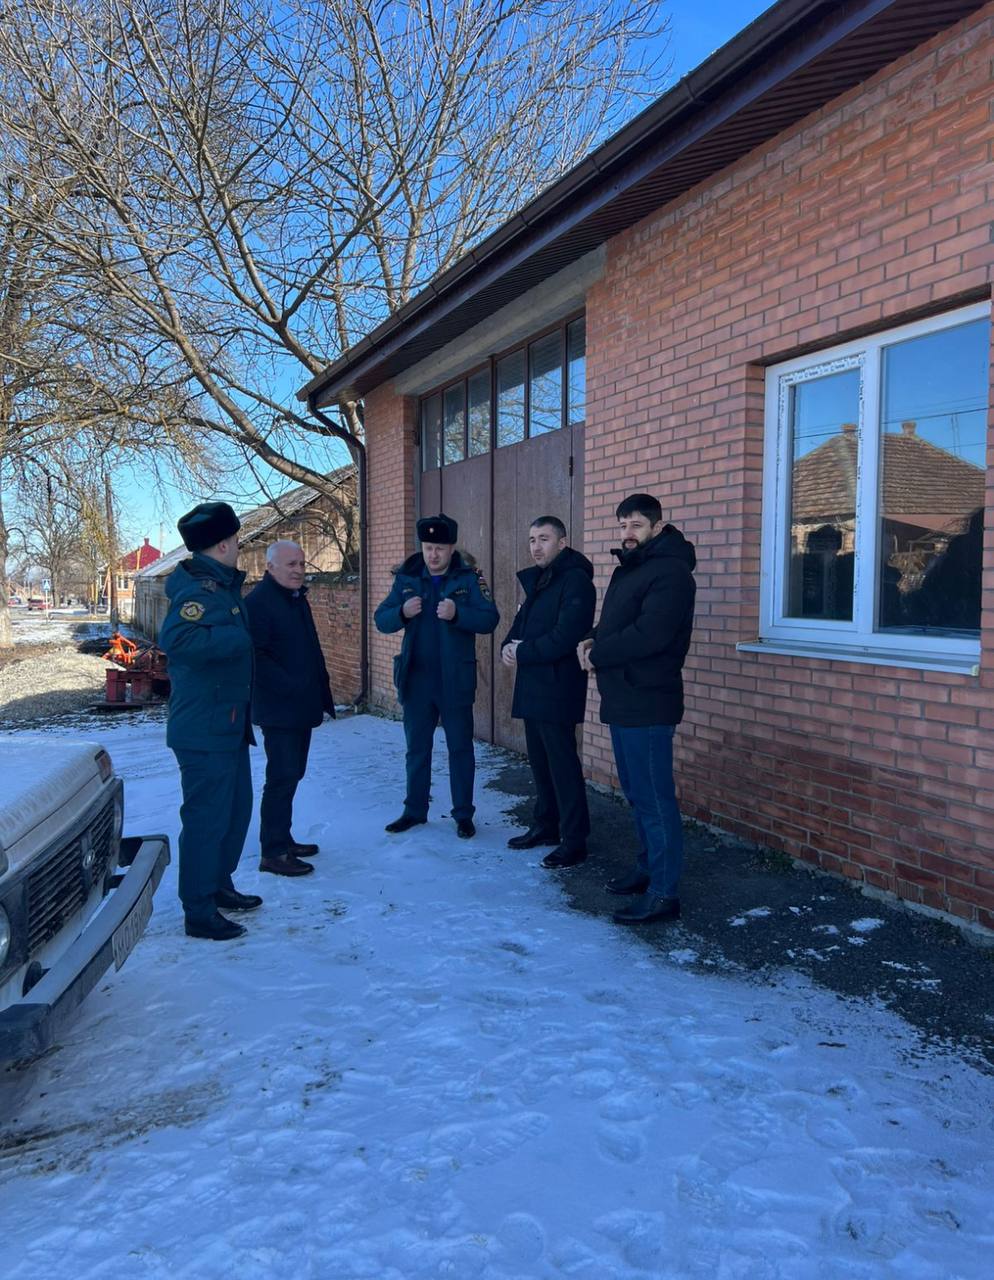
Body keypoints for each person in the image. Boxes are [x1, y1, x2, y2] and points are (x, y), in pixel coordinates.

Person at [578, 493, 696, 925]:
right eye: (623, 525)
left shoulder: (672, 573)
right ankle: (648, 869)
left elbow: (651, 634)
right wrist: (593, 636)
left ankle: (664, 893)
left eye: (637, 525)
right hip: (624, 696)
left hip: (649, 698)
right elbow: (619, 622)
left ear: (657, 527)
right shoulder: (632, 567)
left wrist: (599, 653)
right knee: (636, 792)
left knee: (654, 799)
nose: (627, 533)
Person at [159, 501, 260, 941]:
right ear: (222, 544)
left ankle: (218, 884)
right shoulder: (200, 591)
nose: (238, 546)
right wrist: (237, 638)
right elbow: (177, 639)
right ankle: (198, 910)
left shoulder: (221, 585)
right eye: (236, 539)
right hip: (204, 728)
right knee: (206, 819)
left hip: (227, 723)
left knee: (234, 812)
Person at [374, 512, 499, 838]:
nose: (433, 555)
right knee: (417, 749)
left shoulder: (468, 578)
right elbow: (381, 619)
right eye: (428, 547)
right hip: (416, 680)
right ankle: (414, 811)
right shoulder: (407, 577)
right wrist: (402, 612)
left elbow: (490, 619)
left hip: (454, 679)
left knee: (460, 748)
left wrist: (458, 614)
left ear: (451, 548)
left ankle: (463, 815)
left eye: (440, 548)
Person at [501, 516, 596, 868]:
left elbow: (566, 636)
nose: (536, 546)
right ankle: (546, 825)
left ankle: (574, 840)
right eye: (531, 539)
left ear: (562, 542)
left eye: (543, 538)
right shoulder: (542, 580)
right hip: (533, 686)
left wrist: (523, 651)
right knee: (541, 764)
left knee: (562, 766)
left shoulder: (576, 581)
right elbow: (520, 624)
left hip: (558, 687)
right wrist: (507, 646)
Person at [244, 540, 336, 878]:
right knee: (281, 778)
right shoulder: (259, 603)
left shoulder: (295, 598)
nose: (299, 570)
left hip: (299, 706)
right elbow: (256, 657)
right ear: (270, 568)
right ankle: (273, 852)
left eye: (301, 564)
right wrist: (292, 686)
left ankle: (283, 838)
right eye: (291, 565)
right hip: (279, 709)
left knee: (293, 773)